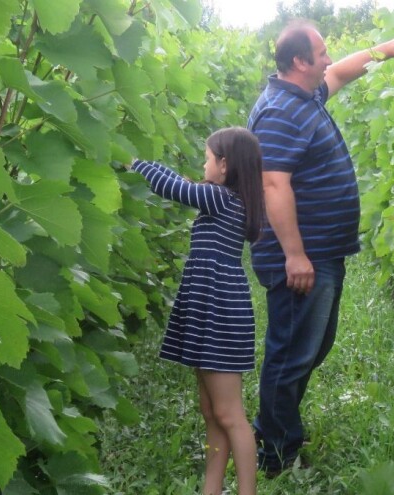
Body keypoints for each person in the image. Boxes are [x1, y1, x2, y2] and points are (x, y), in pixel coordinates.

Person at [247, 20, 394, 476]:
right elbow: (273, 184)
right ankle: (277, 453)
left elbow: (339, 73)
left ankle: (275, 430)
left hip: (322, 252)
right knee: (291, 352)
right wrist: (295, 255)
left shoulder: (304, 93)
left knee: (309, 348)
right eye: (320, 51)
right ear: (298, 61)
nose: (327, 58)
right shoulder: (279, 111)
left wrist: (389, 49)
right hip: (303, 257)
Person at [128, 127, 265, 495]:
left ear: (224, 165)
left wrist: (136, 163)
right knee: (212, 411)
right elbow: (184, 182)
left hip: (219, 312)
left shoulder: (221, 198)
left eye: (206, 157)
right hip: (211, 310)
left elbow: (175, 188)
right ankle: (211, 489)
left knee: (230, 414)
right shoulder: (227, 199)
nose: (202, 164)